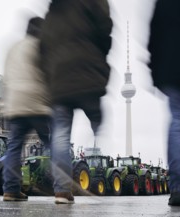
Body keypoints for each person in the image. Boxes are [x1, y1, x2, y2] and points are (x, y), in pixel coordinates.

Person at [40, 0, 113, 204]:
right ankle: (97, 157)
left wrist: (50, 73)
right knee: (97, 119)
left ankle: (62, 190)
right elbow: (105, 28)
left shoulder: (53, 10)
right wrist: (100, 54)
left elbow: (42, 49)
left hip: (59, 80)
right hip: (87, 70)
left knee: (61, 135)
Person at [2, 16, 51, 202]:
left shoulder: (14, 48)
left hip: (15, 104)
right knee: (52, 143)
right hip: (37, 102)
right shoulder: (42, 46)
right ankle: (62, 186)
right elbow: (48, 74)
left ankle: (11, 190)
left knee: (13, 148)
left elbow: (6, 79)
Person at [147, 0, 180, 206]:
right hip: (175, 66)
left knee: (176, 123)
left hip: (174, 67)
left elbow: (154, 37)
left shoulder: (164, 3)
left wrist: (155, 73)